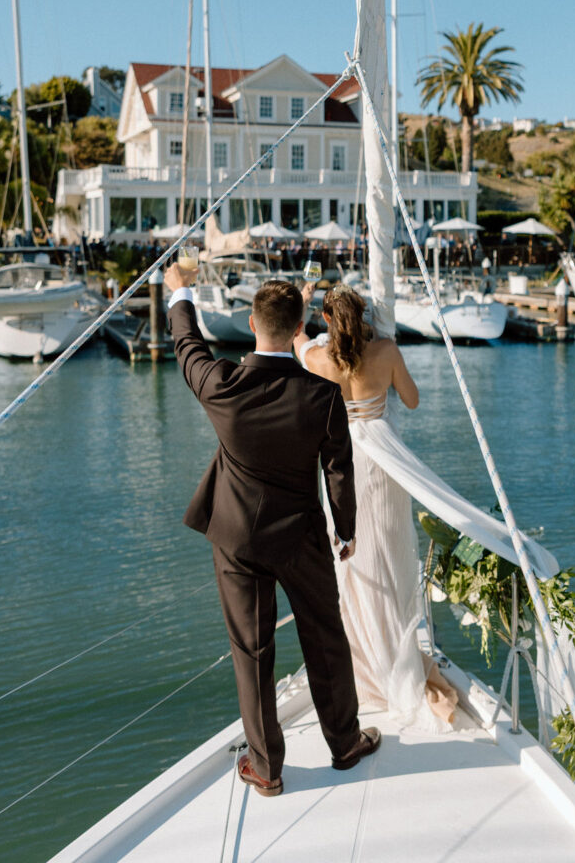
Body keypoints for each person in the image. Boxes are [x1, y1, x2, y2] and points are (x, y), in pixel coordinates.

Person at [164, 266, 381, 798]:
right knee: (324, 638)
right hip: (302, 537)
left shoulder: (221, 385)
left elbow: (187, 343)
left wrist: (181, 291)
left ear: (249, 322)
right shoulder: (323, 396)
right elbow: (339, 468)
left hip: (235, 537)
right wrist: (346, 528)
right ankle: (345, 745)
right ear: (301, 323)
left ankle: (266, 769)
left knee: (252, 651)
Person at [294, 283, 458, 731]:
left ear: (328, 319)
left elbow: (296, 339)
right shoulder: (385, 350)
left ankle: (365, 662)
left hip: (344, 471)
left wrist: (305, 300)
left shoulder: (319, 360)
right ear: (364, 315)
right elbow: (412, 399)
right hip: (385, 467)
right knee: (391, 558)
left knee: (354, 566)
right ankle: (398, 652)